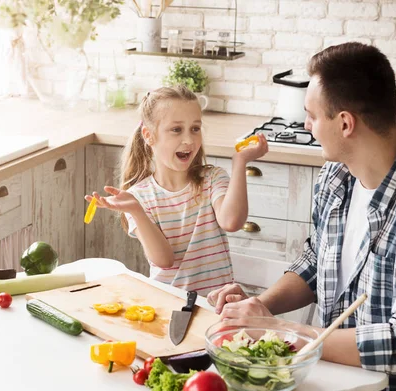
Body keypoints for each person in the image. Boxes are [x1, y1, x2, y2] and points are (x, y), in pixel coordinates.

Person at [207, 42, 396, 391]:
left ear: (345, 123)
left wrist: (282, 331)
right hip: (340, 382)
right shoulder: (336, 177)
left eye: (312, 115)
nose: (307, 126)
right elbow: (313, 263)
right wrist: (261, 309)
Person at [85, 85, 268, 296]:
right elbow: (164, 260)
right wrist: (136, 211)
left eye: (195, 128)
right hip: (170, 305)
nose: (189, 140)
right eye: (176, 130)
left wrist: (240, 161)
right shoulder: (138, 198)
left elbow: (231, 222)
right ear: (149, 135)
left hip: (217, 306)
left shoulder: (212, 179)